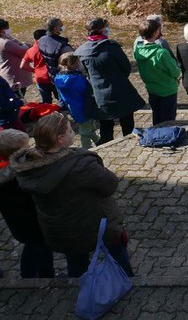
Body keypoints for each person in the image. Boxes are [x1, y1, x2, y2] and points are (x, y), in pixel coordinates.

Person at [12, 113, 134, 278]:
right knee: (117, 254)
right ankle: (126, 281)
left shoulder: (28, 167)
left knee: (76, 263)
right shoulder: (80, 165)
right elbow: (110, 184)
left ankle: (78, 287)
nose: (73, 133)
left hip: (61, 229)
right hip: (92, 224)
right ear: (60, 139)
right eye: (70, 130)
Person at [0, 129, 54, 278]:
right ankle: (46, 277)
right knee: (42, 250)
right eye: (26, 147)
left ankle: (27, 274)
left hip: (18, 225)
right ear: (16, 156)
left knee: (31, 247)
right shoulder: (19, 178)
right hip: (34, 224)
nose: (30, 148)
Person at [75, 18, 145, 144]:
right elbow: (126, 67)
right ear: (102, 30)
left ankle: (107, 146)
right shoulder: (111, 47)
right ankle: (131, 146)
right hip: (120, 90)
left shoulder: (82, 51)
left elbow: (85, 72)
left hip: (99, 93)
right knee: (127, 124)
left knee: (106, 127)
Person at [133, 18, 180, 126]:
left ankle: (157, 136)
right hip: (167, 90)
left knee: (157, 116)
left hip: (152, 89)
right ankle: (167, 139)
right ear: (155, 33)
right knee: (168, 120)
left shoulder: (138, 50)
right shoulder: (161, 53)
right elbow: (175, 72)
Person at [53, 53, 101, 150]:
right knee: (85, 131)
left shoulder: (58, 78)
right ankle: (86, 149)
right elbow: (87, 91)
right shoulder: (78, 79)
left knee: (88, 126)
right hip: (85, 107)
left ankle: (97, 140)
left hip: (73, 107)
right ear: (74, 64)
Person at [0, 48, 24, 131]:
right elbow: (0, 104)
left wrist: (10, 89)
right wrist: (19, 102)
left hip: (7, 116)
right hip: (7, 117)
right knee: (18, 137)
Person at [0, 18, 32, 97]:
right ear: (1, 31)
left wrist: (17, 42)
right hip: (14, 76)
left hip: (7, 73)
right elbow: (24, 51)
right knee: (19, 98)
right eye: (7, 28)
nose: (9, 29)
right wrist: (25, 44)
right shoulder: (7, 42)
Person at [37, 18, 73, 104]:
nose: (63, 27)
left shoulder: (41, 40)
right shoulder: (62, 45)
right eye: (61, 25)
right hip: (62, 76)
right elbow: (72, 60)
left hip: (50, 73)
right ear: (55, 29)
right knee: (64, 99)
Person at [21, 29, 51, 104]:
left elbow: (22, 65)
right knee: (60, 98)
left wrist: (34, 70)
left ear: (34, 39)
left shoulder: (30, 50)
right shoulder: (50, 48)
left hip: (40, 78)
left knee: (46, 100)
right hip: (51, 76)